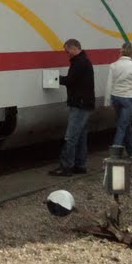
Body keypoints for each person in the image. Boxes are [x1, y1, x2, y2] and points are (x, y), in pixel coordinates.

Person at [51, 38, 95, 176]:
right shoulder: (84, 61)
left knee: (71, 137)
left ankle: (66, 166)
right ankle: (80, 165)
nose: (67, 53)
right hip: (85, 103)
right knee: (81, 136)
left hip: (79, 104)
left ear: (74, 48)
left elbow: (71, 80)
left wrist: (55, 78)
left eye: (67, 50)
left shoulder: (79, 63)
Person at [106, 42, 132, 156]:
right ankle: (115, 152)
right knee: (122, 126)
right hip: (127, 98)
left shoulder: (113, 65)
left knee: (126, 124)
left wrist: (107, 101)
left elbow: (110, 83)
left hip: (116, 98)